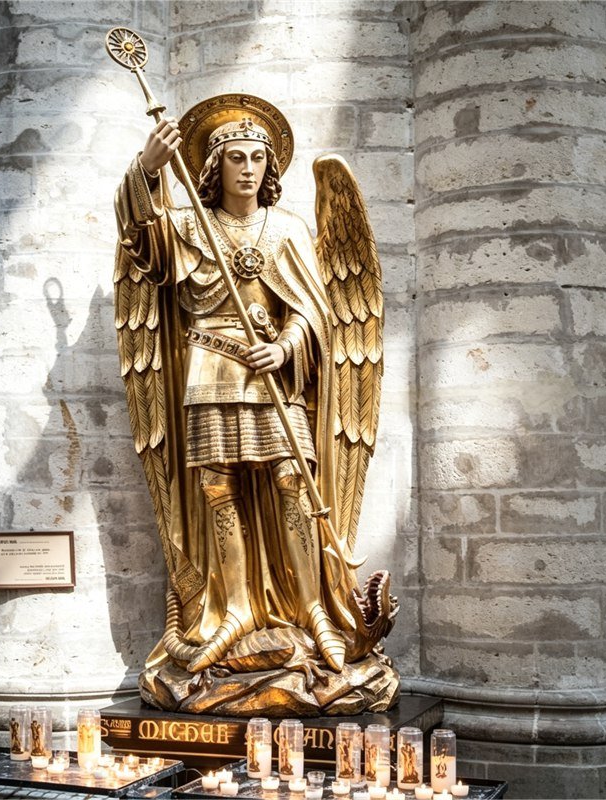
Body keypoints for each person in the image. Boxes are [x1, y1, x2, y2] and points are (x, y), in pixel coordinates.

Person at [114, 97, 388, 693]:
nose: (247, 168)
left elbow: (314, 311)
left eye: (258, 158)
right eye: (235, 157)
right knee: (219, 488)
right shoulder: (190, 225)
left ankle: (312, 607)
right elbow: (143, 247)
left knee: (292, 478)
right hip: (210, 370)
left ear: (271, 167)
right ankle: (234, 608)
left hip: (271, 373)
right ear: (213, 167)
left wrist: (286, 349)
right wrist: (148, 169)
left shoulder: (288, 230)